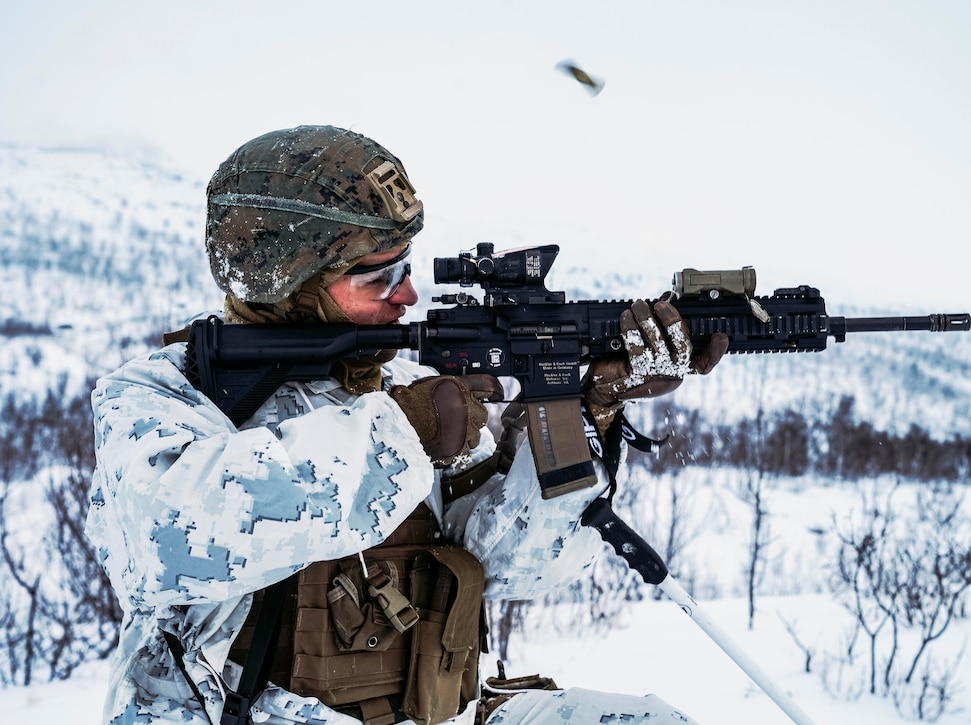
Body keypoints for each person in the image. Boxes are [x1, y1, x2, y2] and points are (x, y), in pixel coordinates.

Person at [87, 125, 727, 725]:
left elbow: (517, 569)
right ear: (289, 280)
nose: (408, 295)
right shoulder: (166, 396)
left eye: (408, 267)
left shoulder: (400, 388)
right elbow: (169, 542)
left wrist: (587, 411)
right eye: (380, 276)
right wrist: (402, 436)